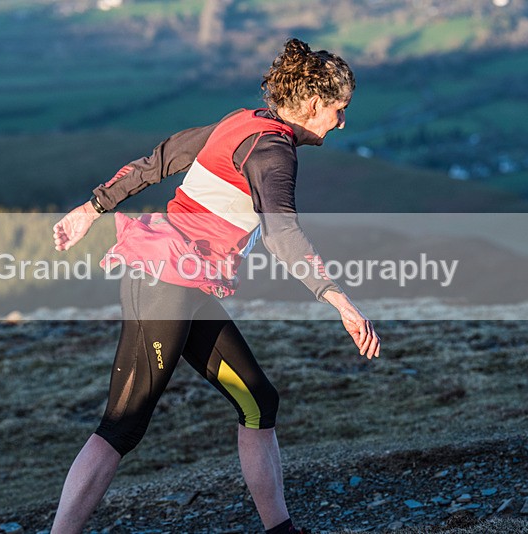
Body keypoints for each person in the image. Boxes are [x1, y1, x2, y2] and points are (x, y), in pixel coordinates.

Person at [51, 38, 380, 534]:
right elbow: (281, 231)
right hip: (166, 279)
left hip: (187, 283)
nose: (341, 122)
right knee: (122, 423)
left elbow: (158, 160)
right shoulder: (273, 150)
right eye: (339, 109)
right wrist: (337, 298)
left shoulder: (241, 121)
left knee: (258, 400)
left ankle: (280, 530)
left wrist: (91, 208)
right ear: (313, 104)